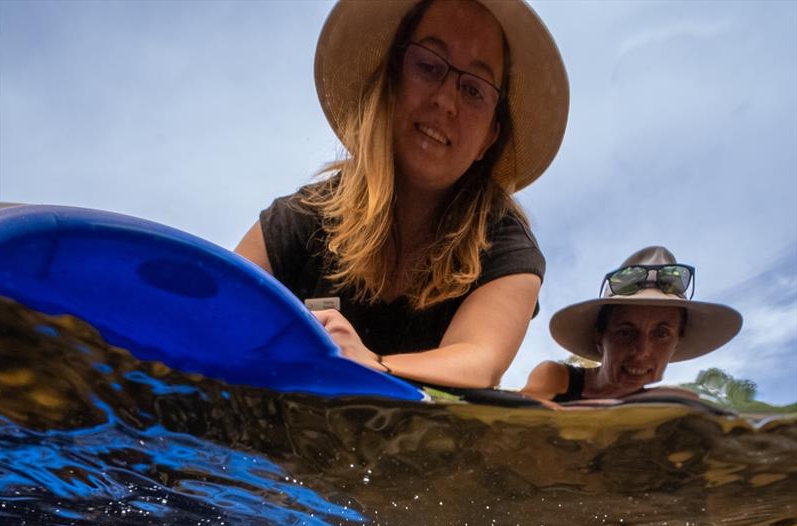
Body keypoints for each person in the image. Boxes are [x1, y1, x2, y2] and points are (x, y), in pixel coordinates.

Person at [235, 0, 568, 389]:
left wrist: (370, 363)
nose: (445, 101)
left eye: (474, 90)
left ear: (489, 139)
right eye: (429, 66)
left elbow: (480, 361)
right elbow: (215, 313)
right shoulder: (297, 220)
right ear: (391, 79)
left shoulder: (509, 249)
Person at [522, 247, 743, 404]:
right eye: (625, 332)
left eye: (662, 334)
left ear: (676, 343)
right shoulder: (555, 377)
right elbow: (521, 415)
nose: (642, 352)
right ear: (600, 338)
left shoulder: (669, 409)